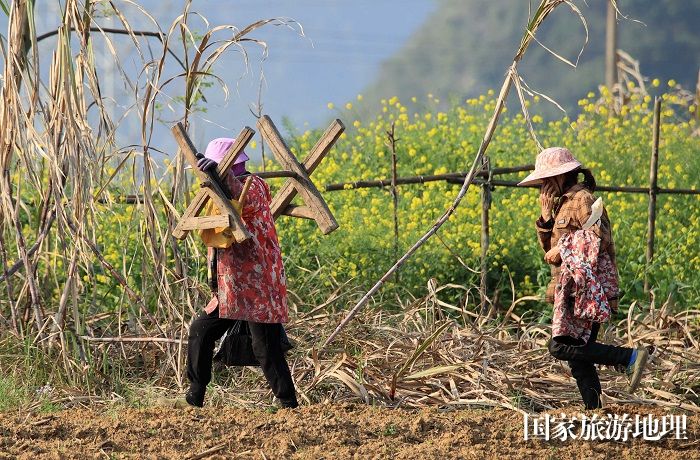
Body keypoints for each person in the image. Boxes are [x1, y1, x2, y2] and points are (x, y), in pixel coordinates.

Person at [518, 147, 648, 410]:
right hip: (571, 290)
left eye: (545, 180)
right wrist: (545, 220)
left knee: (559, 347)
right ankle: (595, 409)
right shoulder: (562, 205)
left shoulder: (582, 200)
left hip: (586, 290)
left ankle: (629, 356)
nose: (542, 186)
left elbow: (600, 239)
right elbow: (549, 254)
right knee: (579, 359)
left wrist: (563, 246)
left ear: (561, 176)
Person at [184, 137, 298, 409]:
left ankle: (288, 404)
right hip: (231, 287)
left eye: (222, 168)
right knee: (201, 330)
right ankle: (195, 394)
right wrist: (213, 177)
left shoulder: (254, 185)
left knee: (265, 347)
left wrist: (218, 175)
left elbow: (241, 198)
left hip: (258, 285)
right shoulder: (216, 193)